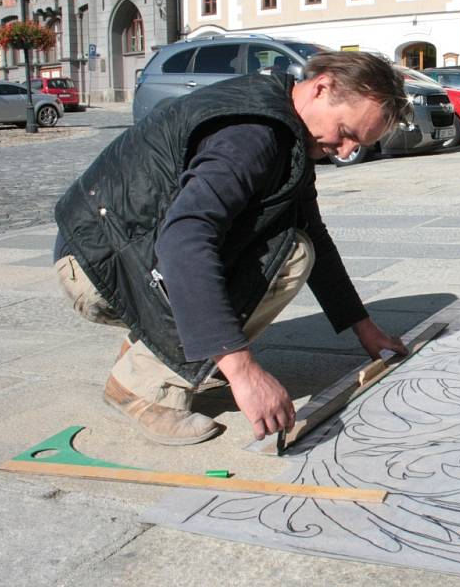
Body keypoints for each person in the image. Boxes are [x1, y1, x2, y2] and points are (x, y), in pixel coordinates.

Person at [53, 52, 412, 446]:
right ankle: (142, 387)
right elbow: (185, 240)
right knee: (289, 258)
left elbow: (314, 231)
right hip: (98, 264)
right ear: (321, 87)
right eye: (345, 131)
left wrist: (363, 327)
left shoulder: (288, 125)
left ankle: (154, 347)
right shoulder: (255, 135)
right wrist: (242, 371)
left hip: (116, 246)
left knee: (296, 242)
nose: (345, 151)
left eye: (357, 143)